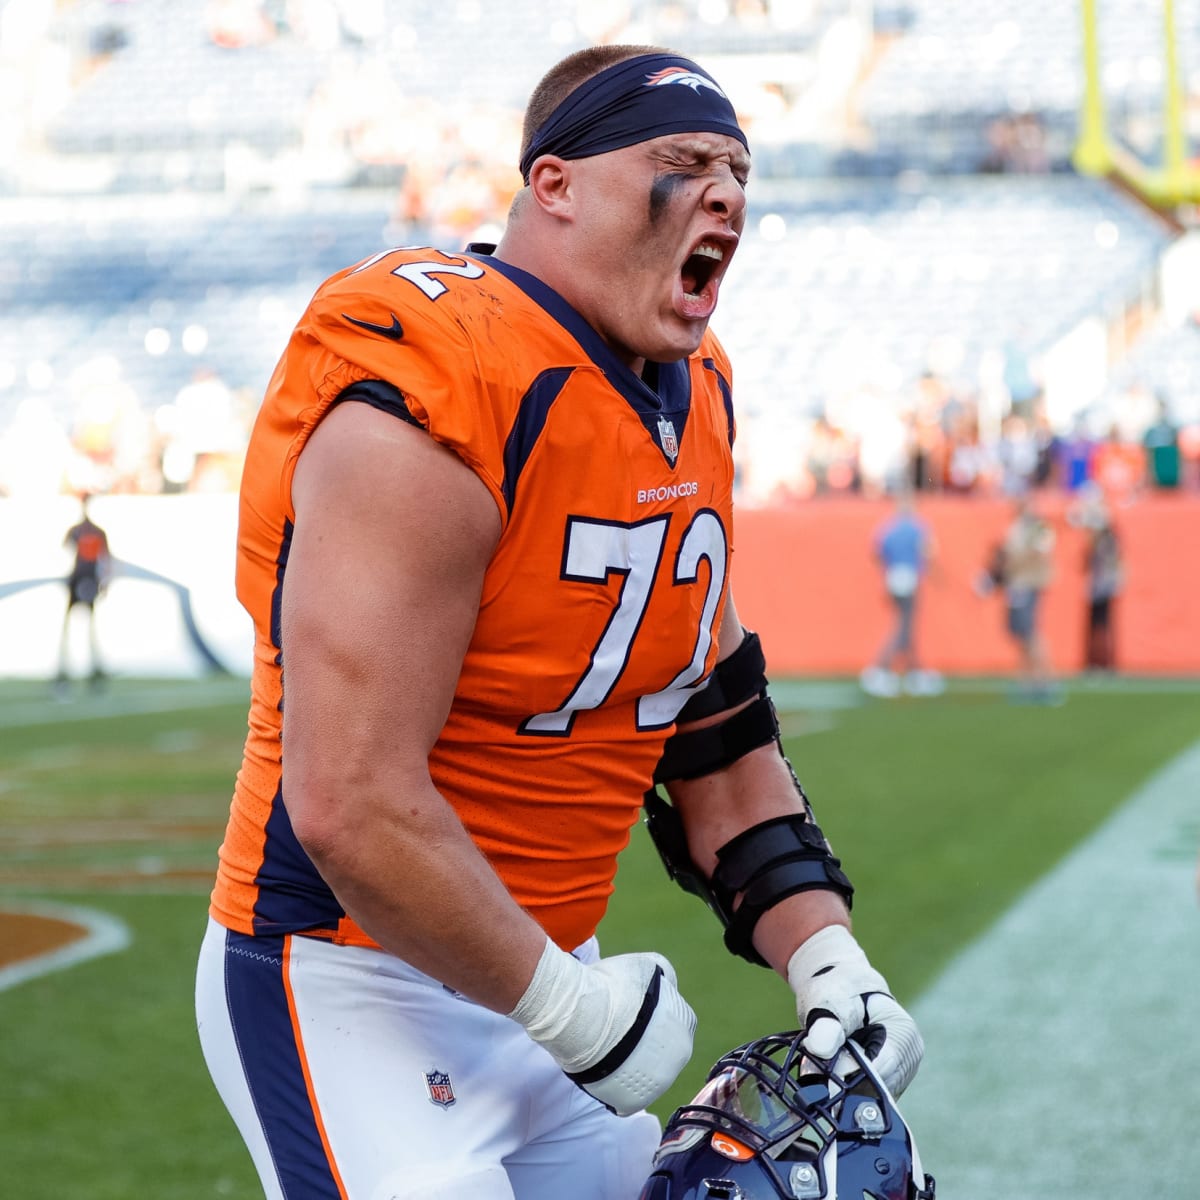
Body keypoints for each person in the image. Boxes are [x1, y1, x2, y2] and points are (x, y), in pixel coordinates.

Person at [195, 44, 922, 1200]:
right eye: (684, 163)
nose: (727, 192)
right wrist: (563, 1005)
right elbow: (348, 802)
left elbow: (716, 727)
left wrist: (831, 958)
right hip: (351, 982)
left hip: (543, 979)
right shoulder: (435, 384)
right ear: (556, 185)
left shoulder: (692, 391)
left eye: (739, 170)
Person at [860, 492, 943, 698]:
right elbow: (928, 551)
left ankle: (914, 670)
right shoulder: (918, 527)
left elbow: (877, 553)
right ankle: (880, 668)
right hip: (909, 577)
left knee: (905, 625)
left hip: (893, 577)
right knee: (903, 626)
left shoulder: (888, 528)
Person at [999, 491, 1059, 703]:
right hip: (1017, 585)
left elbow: (1038, 554)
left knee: (1032, 633)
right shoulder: (1016, 528)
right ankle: (1027, 682)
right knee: (1022, 636)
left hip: (1029, 584)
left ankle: (1046, 681)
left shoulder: (1038, 527)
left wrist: (1014, 563)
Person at [55, 493, 111, 692]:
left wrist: (104, 583)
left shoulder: (95, 532)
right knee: (68, 628)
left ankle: (93, 672)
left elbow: (105, 559)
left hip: (87, 580)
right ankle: (64, 672)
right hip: (78, 579)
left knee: (90, 629)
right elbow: (65, 553)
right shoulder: (77, 531)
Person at [1075, 486, 1123, 672]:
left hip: (1104, 584)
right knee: (1096, 624)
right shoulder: (1105, 536)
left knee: (1103, 623)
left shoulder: (1107, 537)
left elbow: (1109, 559)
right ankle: (1096, 661)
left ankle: (1105, 662)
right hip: (1099, 584)